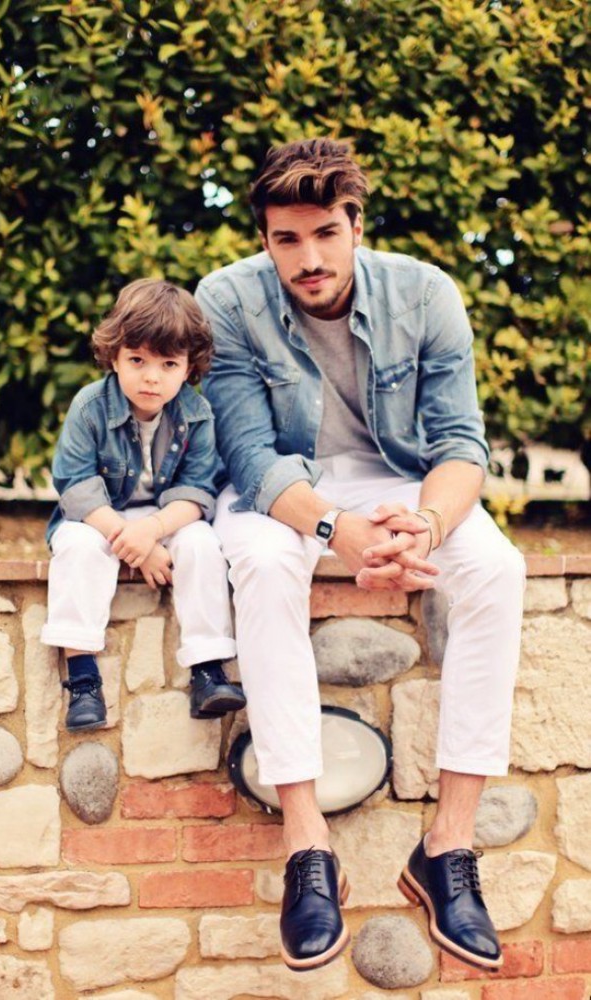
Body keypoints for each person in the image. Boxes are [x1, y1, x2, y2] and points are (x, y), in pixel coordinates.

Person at [195, 139, 525, 973]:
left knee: (497, 570)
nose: (308, 259)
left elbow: (460, 444)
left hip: (406, 482)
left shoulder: (425, 292)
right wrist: (337, 530)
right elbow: (248, 456)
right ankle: (307, 847)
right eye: (286, 240)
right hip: (284, 489)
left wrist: (426, 527)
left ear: (355, 225)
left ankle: (447, 847)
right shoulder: (226, 300)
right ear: (264, 240)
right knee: (263, 565)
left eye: (325, 234)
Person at [41, 278, 245, 730]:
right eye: (137, 360)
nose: (152, 376)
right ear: (114, 356)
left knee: (200, 543)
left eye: (168, 364)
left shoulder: (195, 413)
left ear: (188, 368)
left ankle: (208, 667)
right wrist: (134, 544)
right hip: (98, 516)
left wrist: (152, 532)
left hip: (165, 517)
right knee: (76, 547)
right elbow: (75, 486)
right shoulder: (90, 406)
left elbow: (197, 492)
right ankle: (82, 677)